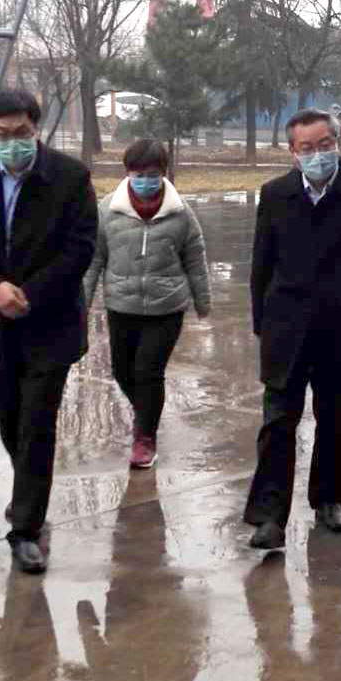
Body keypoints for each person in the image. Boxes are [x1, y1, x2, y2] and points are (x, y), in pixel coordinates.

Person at [0, 88, 98, 574]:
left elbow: (80, 248)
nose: (12, 143)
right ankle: (27, 490)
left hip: (49, 321)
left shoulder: (70, 177)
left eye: (22, 133)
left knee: (37, 424)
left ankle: (27, 528)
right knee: (9, 419)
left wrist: (28, 293)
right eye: (2, 134)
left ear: (37, 129)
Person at [244, 108, 341, 549]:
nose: (317, 154)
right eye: (307, 148)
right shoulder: (275, 194)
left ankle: (329, 501)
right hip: (286, 327)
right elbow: (262, 263)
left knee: (333, 419)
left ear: (337, 143)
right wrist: (263, 323)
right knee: (278, 422)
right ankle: (269, 516)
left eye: (324, 145)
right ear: (293, 152)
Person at [83, 139, 211, 468]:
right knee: (122, 371)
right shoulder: (108, 209)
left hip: (166, 307)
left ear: (164, 173)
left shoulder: (180, 212)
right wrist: (81, 302)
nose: (145, 181)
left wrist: (202, 300)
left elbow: (195, 257)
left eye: (153, 174)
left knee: (148, 371)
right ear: (127, 173)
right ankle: (146, 413)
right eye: (138, 174)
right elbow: (94, 258)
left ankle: (145, 437)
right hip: (121, 305)